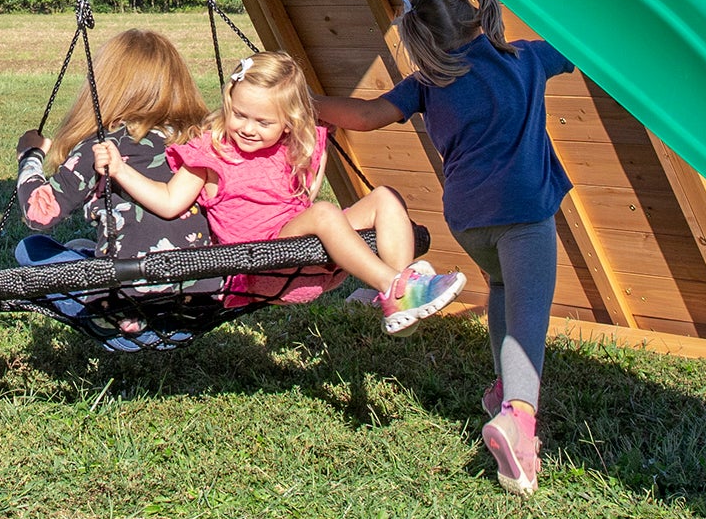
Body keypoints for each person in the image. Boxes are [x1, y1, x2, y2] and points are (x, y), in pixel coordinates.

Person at [315, 0, 574, 493]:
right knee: (529, 316)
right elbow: (585, 51)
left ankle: (505, 385)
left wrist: (309, 102)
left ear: (421, 37)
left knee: (501, 288)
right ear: (479, 18)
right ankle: (518, 421)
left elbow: (366, 117)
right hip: (525, 212)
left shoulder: (427, 81)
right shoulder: (526, 58)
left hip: (468, 217)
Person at [97, 51, 464, 331]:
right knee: (323, 213)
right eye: (239, 114)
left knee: (384, 197)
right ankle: (391, 285)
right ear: (228, 104)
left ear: (289, 120)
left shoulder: (293, 144)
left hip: (303, 256)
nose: (248, 128)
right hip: (264, 266)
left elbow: (301, 197)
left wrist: (311, 149)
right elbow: (167, 201)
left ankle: (400, 294)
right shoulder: (214, 151)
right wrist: (120, 169)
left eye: (264, 121)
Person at [8, 28, 219, 347]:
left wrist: (30, 156)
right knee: (83, 244)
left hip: (125, 308)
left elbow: (40, 213)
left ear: (104, 87)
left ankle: (109, 316)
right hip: (197, 307)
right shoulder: (199, 141)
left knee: (32, 247)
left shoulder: (101, 147)